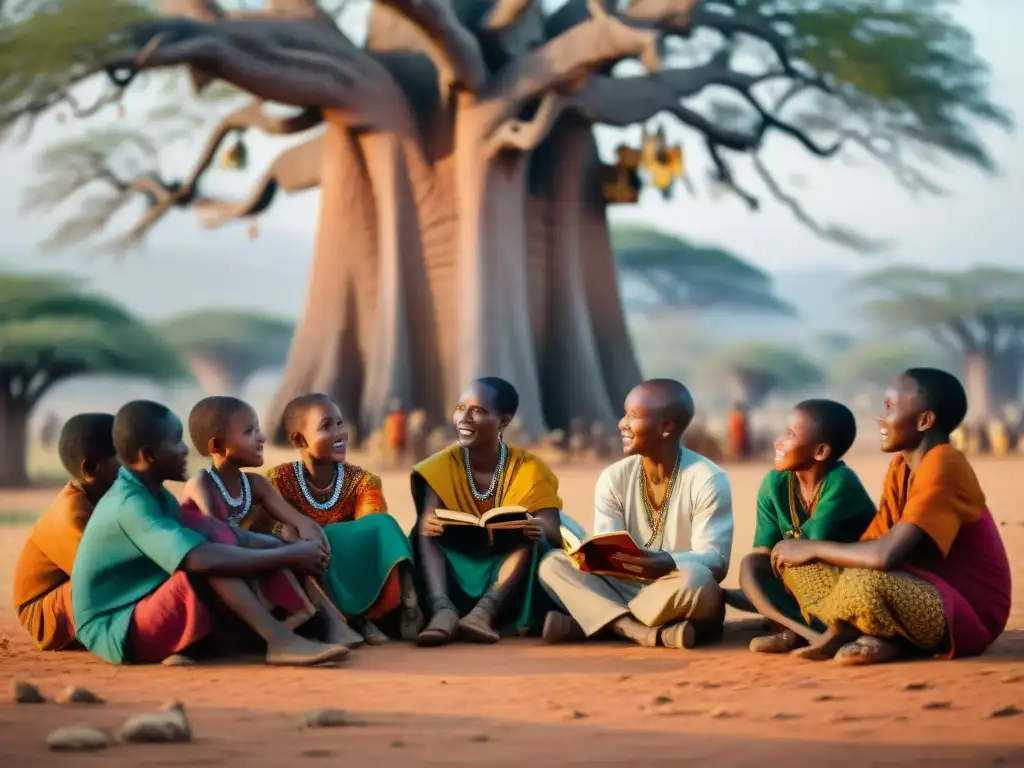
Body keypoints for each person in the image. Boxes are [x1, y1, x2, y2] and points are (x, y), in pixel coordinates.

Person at [70, 400, 350, 667]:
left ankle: (308, 627)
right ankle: (279, 640)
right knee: (212, 562)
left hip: (145, 601)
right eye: (177, 441)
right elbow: (200, 558)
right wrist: (287, 555)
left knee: (241, 548)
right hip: (116, 626)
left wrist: (283, 548)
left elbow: (222, 533)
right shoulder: (130, 504)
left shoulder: (156, 496)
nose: (185, 450)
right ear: (148, 455)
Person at [770, 369, 1012, 665]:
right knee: (796, 564)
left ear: (924, 420)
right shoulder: (901, 466)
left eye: (890, 407)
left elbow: (884, 555)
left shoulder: (944, 463)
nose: (880, 418)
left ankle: (857, 630)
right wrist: (806, 555)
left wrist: (813, 547)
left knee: (863, 581)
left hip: (963, 612)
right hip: (907, 586)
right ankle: (878, 635)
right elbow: (872, 542)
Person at [539, 379, 733, 649]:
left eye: (633, 416)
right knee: (553, 565)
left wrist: (664, 561)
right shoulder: (614, 477)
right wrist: (593, 556)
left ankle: (599, 622)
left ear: (666, 427)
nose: (621, 424)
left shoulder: (708, 479)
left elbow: (716, 559)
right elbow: (608, 545)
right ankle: (639, 631)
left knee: (697, 579)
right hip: (624, 584)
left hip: (673, 586)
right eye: (624, 414)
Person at [183, 396, 363, 648]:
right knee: (285, 545)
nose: (262, 438)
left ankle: (330, 622)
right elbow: (222, 539)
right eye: (249, 432)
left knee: (291, 534)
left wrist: (314, 544)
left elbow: (299, 521)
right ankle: (315, 626)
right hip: (219, 573)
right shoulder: (201, 484)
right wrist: (289, 551)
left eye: (258, 429)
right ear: (218, 445)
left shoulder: (255, 484)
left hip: (247, 559)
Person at [412, 377, 563, 647]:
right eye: (460, 408)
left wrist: (535, 524)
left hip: (507, 565)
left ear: (503, 422)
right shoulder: (440, 464)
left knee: (527, 536)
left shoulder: (530, 468)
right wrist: (428, 522)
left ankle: (484, 613)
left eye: (478, 411)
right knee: (422, 531)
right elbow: (429, 515)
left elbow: (553, 527)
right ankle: (441, 609)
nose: (464, 418)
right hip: (455, 564)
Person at [265, 393, 422, 644]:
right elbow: (275, 528)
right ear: (299, 439)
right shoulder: (278, 480)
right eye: (327, 426)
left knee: (384, 524)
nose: (340, 432)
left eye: (340, 423)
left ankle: (406, 603)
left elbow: (369, 529)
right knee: (297, 540)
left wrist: (324, 533)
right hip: (312, 566)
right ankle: (348, 620)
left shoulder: (363, 481)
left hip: (354, 563)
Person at [731, 399, 877, 653]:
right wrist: (756, 587)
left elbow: (808, 547)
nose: (778, 441)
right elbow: (764, 554)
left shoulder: (841, 483)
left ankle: (811, 633)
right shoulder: (775, 483)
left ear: (820, 452)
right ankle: (802, 631)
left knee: (801, 564)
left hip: (842, 584)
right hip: (795, 583)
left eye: (789, 435)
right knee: (750, 567)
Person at [13, 413, 120, 651]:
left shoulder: (106, 500)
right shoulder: (71, 511)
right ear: (91, 468)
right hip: (44, 613)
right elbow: (98, 574)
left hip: (73, 594)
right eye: (124, 457)